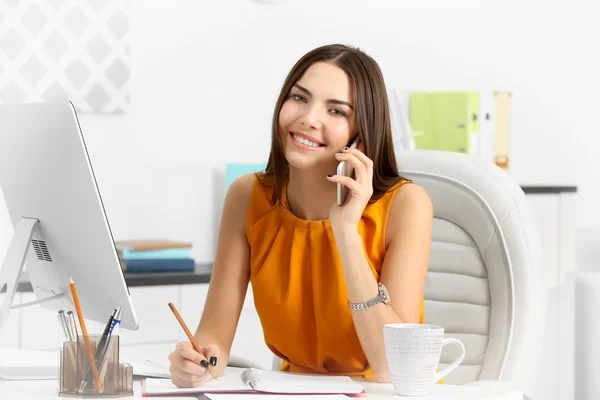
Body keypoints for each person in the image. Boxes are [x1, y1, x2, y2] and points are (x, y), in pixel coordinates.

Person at [168, 43, 433, 386]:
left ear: (362, 135)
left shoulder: (407, 205)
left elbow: (392, 369)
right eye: (299, 98)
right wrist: (195, 363)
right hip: (292, 391)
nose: (309, 118)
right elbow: (212, 341)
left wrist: (347, 234)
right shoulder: (247, 196)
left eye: (337, 111)